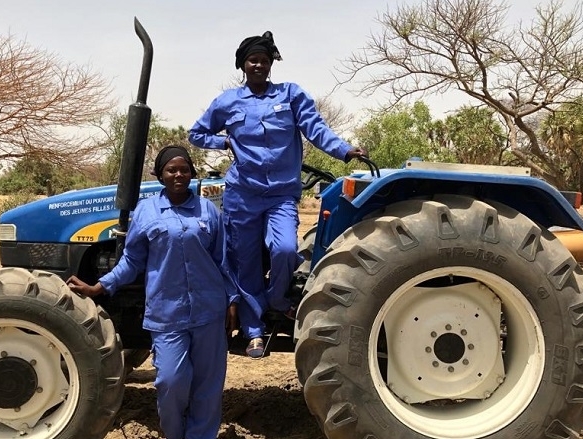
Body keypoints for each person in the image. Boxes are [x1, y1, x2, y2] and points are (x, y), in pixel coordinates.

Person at [188, 31, 367, 359]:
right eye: (253, 60)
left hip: (281, 194)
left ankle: (278, 301)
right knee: (245, 261)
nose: (258, 65)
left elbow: (316, 129)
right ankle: (254, 329)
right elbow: (196, 133)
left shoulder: (291, 95)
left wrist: (345, 150)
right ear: (243, 64)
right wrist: (223, 142)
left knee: (284, 248)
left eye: (264, 61)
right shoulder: (227, 102)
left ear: (271, 65)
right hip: (242, 194)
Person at [67, 145, 238, 439]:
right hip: (166, 312)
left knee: (208, 387)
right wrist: (101, 286)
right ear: (160, 175)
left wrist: (232, 300)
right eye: (171, 169)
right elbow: (133, 260)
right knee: (171, 381)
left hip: (209, 309)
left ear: (191, 173)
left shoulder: (208, 210)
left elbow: (223, 259)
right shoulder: (147, 211)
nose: (178, 174)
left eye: (184, 169)